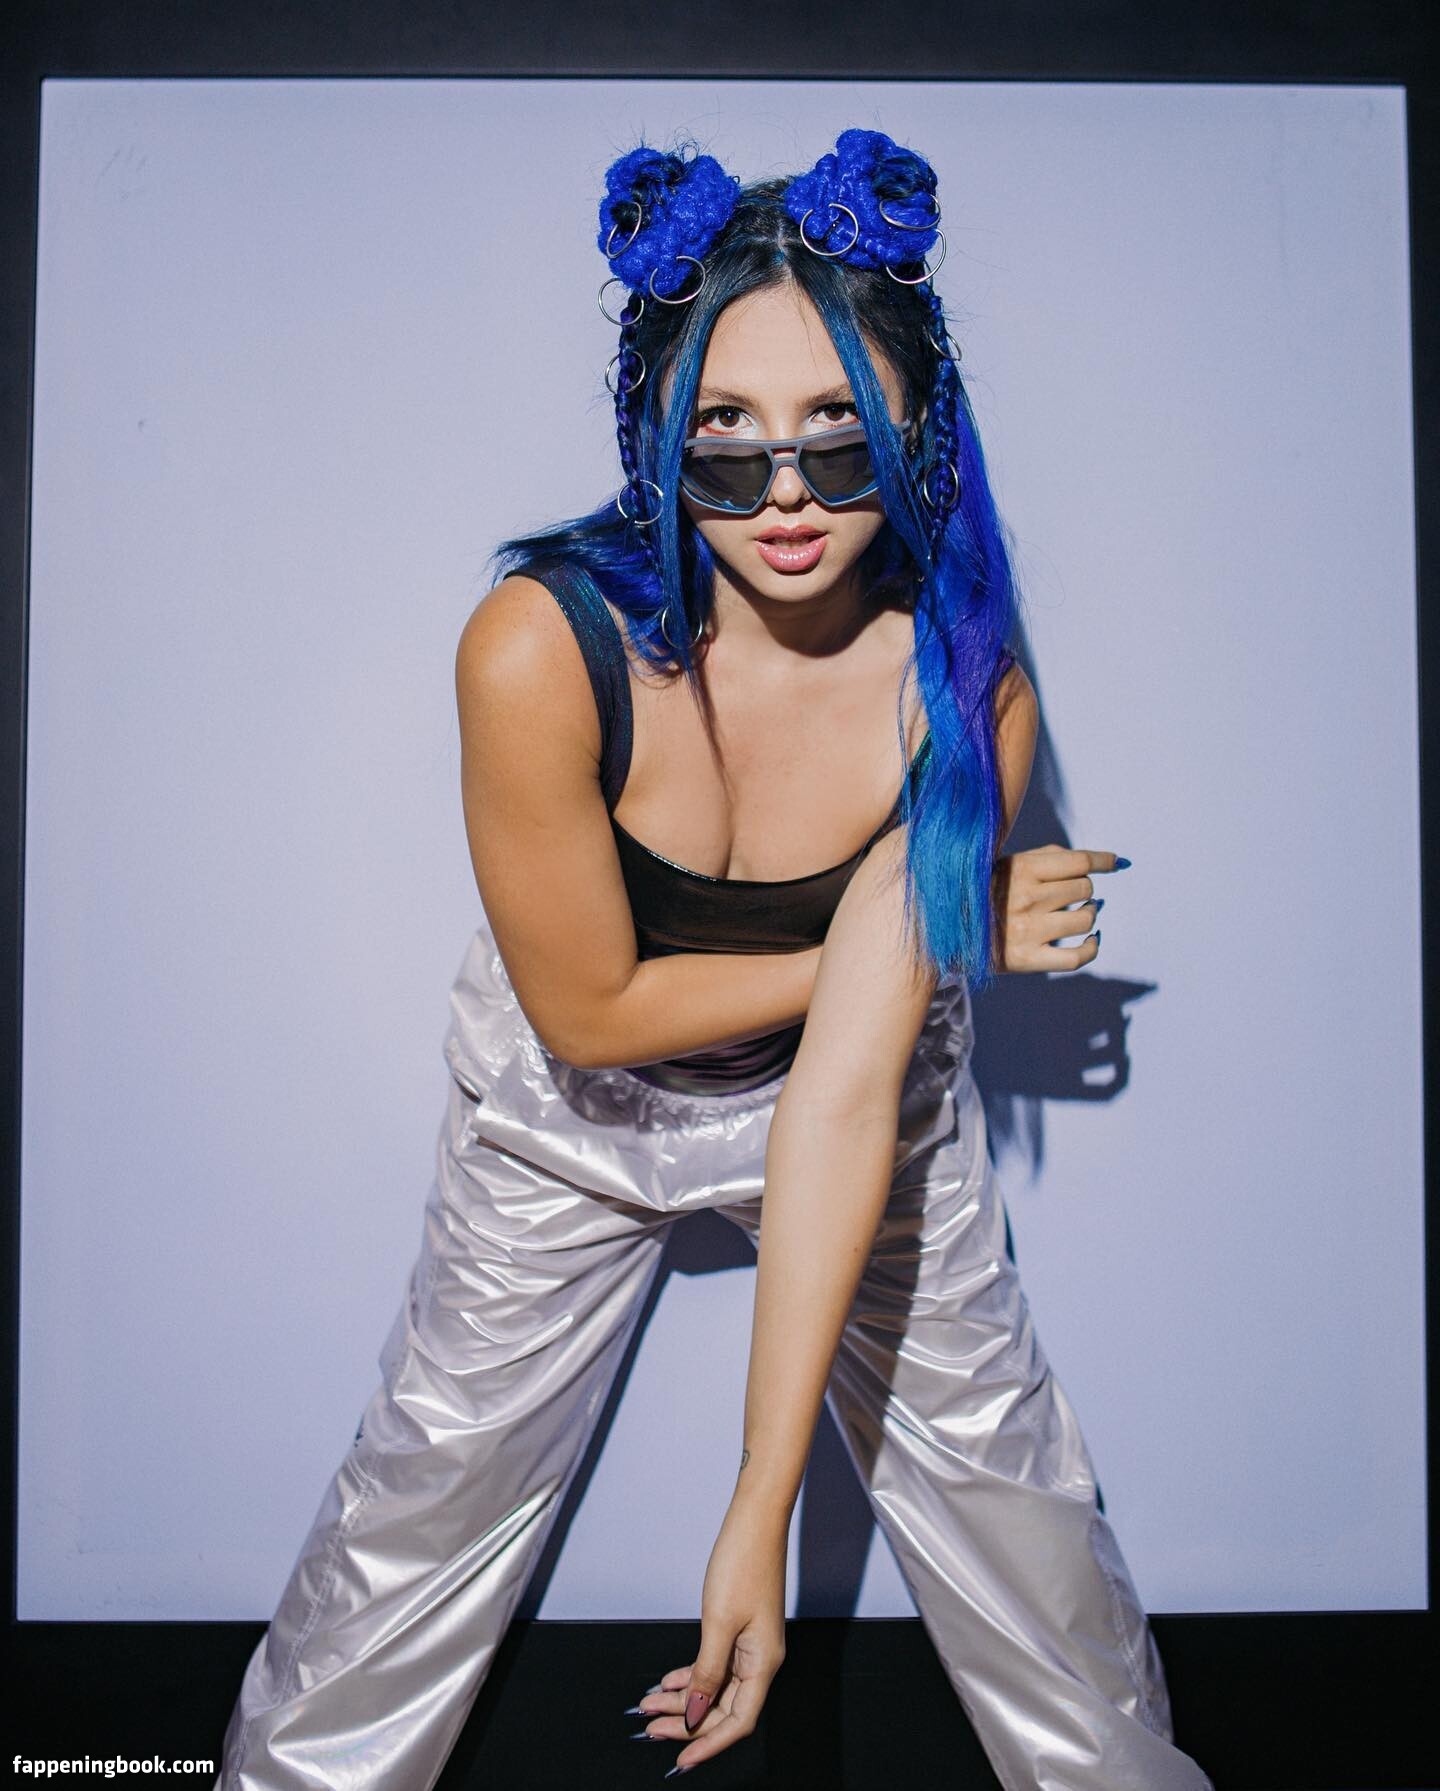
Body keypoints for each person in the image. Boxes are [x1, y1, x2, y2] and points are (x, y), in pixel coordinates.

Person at [214, 128, 1213, 1790]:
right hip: (572, 1116)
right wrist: (937, 926)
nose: (789, 498)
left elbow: (843, 1100)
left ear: (918, 431)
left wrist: (760, 1512)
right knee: (419, 1513)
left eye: (839, 439)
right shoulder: (542, 648)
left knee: (1022, 1517)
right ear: (657, 437)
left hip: (855, 1094)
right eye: (726, 447)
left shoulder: (958, 698)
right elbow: (591, 1013)